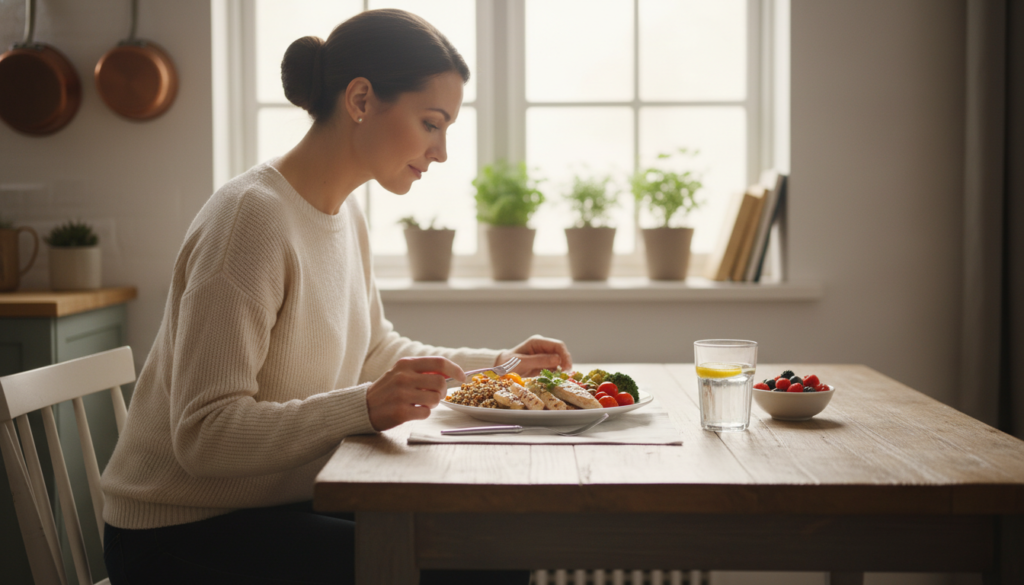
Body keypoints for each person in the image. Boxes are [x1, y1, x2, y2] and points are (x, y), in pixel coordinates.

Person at [100, 9, 570, 585]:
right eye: (431, 123)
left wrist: (499, 369)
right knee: (470, 569)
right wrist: (364, 407)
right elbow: (203, 435)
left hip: (274, 508)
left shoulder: (345, 214)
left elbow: (375, 350)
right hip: (180, 535)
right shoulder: (250, 220)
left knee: (488, 548)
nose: (442, 151)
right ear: (362, 100)